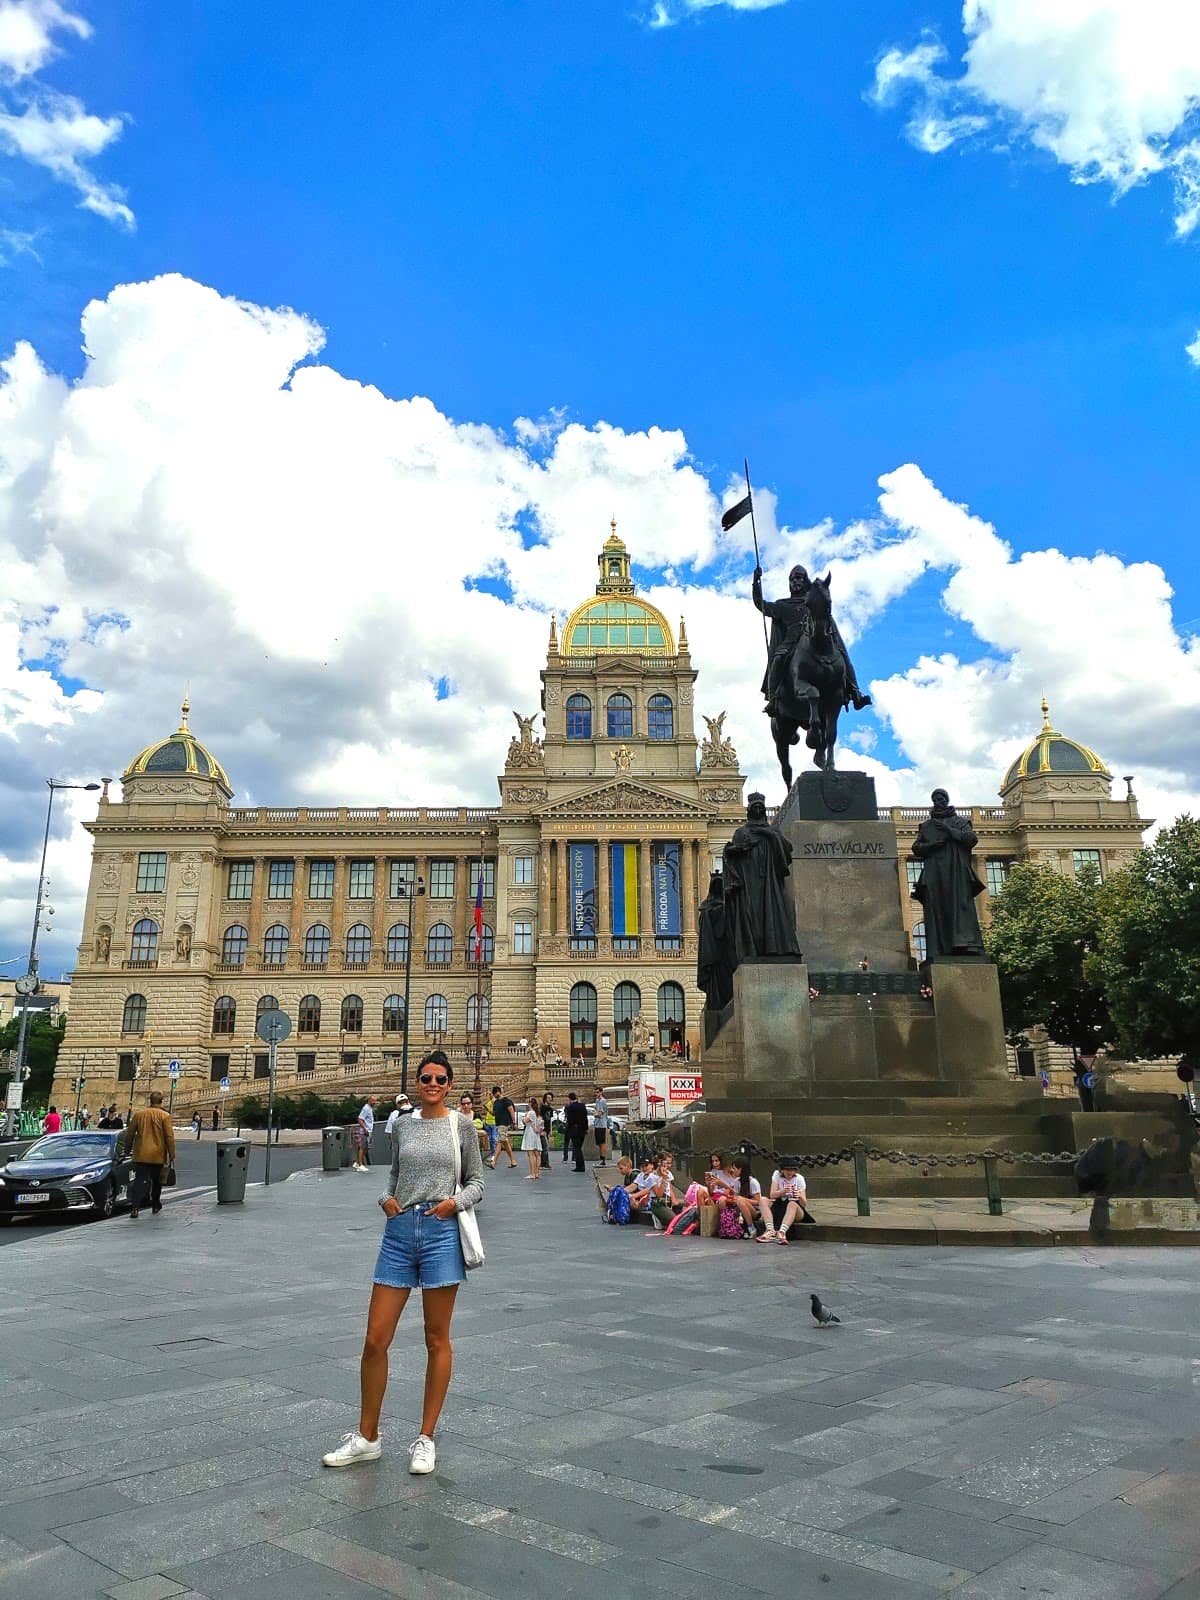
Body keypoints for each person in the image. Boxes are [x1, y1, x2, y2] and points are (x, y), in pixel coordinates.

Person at [322, 1050, 484, 1474]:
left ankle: (426, 1438)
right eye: (426, 1078)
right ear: (417, 1083)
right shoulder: (404, 1126)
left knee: (436, 1338)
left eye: (440, 1079)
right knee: (375, 1338)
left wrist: (452, 1204)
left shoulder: (461, 1126)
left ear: (450, 1085)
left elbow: (478, 1182)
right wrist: (385, 1200)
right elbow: (394, 1174)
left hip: (441, 1231)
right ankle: (367, 1437)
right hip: (399, 1232)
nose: (432, 1084)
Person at [122, 1090, 176, 1220]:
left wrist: (127, 1149)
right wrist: (172, 1153)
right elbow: (169, 1136)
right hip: (157, 1154)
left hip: (141, 1154)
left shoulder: (139, 1115)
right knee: (157, 1181)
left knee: (139, 1180)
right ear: (161, 1101)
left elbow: (130, 1134)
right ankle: (155, 1204)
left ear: (150, 1101)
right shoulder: (165, 1116)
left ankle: (135, 1207)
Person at [717, 1156, 773, 1238]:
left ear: (740, 1169)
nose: (733, 1170)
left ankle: (751, 1228)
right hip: (739, 1207)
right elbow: (735, 1196)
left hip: (754, 1210)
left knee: (740, 1200)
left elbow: (758, 1202)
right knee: (722, 1199)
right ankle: (726, 1225)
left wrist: (743, 1199)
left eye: (734, 1168)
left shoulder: (753, 1182)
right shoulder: (737, 1181)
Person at [767, 1160, 813, 1242]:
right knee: (763, 1200)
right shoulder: (777, 1175)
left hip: (795, 1209)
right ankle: (770, 1230)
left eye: (792, 1170)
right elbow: (772, 1195)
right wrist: (782, 1191)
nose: (789, 1172)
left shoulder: (799, 1179)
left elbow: (804, 1204)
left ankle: (782, 1232)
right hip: (779, 1206)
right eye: (787, 1170)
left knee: (792, 1204)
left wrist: (799, 1196)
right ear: (782, 1170)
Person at [489, 1084, 517, 1170]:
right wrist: (488, 1110)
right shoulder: (496, 1102)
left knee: (500, 1141)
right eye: (494, 1093)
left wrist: (514, 1122)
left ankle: (494, 1161)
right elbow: (494, 1113)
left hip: (504, 1124)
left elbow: (511, 1110)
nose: (496, 1094)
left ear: (500, 1092)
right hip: (498, 1123)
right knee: (505, 1142)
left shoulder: (506, 1100)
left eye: (496, 1092)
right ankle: (513, 1161)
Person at [563, 1092, 588, 1172]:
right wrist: (586, 1128)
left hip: (574, 1129)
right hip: (582, 1129)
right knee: (579, 1147)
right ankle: (580, 1165)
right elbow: (585, 1118)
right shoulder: (582, 1106)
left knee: (577, 1148)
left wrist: (569, 1130)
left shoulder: (570, 1107)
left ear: (570, 1099)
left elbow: (570, 1121)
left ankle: (580, 1166)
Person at [354, 1095, 379, 1172]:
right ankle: (360, 1165)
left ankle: (357, 1162)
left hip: (368, 1130)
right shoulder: (366, 1108)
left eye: (375, 1101)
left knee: (365, 1148)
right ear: (369, 1100)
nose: (374, 1102)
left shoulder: (369, 1108)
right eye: (373, 1101)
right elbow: (360, 1119)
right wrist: (365, 1128)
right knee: (362, 1147)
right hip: (365, 1131)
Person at [520, 1101, 542, 1180]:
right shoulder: (536, 1113)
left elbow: (524, 1121)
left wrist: (524, 1117)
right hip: (536, 1134)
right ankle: (536, 1173)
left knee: (530, 1153)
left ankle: (532, 1173)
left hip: (530, 1133)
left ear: (530, 1104)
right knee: (537, 1153)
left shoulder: (530, 1112)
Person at [592, 1086, 611, 1167]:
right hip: (597, 1124)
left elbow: (600, 1113)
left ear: (601, 1092)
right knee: (599, 1143)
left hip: (601, 1124)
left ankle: (603, 1159)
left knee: (602, 1143)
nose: (596, 1094)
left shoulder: (603, 1101)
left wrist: (595, 1114)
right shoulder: (597, 1101)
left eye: (598, 1092)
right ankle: (601, 1158)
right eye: (596, 1092)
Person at [539, 1093, 554, 1176]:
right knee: (545, 1147)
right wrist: (542, 1129)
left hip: (547, 1130)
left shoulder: (550, 1109)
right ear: (545, 1098)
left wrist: (551, 1130)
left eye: (551, 1098)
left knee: (544, 1147)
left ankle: (543, 1163)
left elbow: (550, 1120)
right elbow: (540, 1119)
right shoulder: (542, 1108)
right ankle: (545, 1163)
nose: (549, 1099)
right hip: (543, 1130)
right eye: (548, 1098)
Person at [481, 1092, 499, 1165]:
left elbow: (492, 1111)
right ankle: (493, 1154)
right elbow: (487, 1112)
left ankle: (494, 1155)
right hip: (488, 1123)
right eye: (489, 1095)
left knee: (494, 1139)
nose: (489, 1096)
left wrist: (487, 1108)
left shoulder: (495, 1102)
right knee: (491, 1140)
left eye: (491, 1094)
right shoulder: (489, 1102)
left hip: (494, 1123)